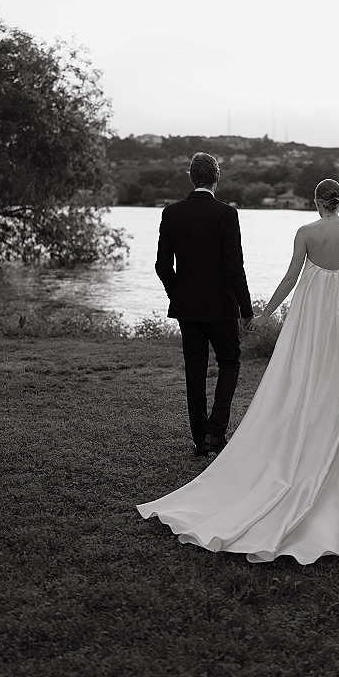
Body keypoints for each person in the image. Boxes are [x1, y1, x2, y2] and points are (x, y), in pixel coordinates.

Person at [138, 179, 339, 564]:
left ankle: (329, 429)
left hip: (311, 315)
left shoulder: (305, 232)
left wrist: (267, 312)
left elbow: (292, 279)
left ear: (315, 201)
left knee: (310, 371)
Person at [154, 152, 253, 457]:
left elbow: (162, 266)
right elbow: (234, 267)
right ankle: (216, 430)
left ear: (191, 176)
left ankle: (200, 440)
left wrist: (177, 293)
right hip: (222, 307)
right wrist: (246, 309)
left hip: (188, 307)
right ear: (216, 178)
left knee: (194, 371)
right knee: (230, 362)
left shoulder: (171, 213)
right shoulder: (226, 214)